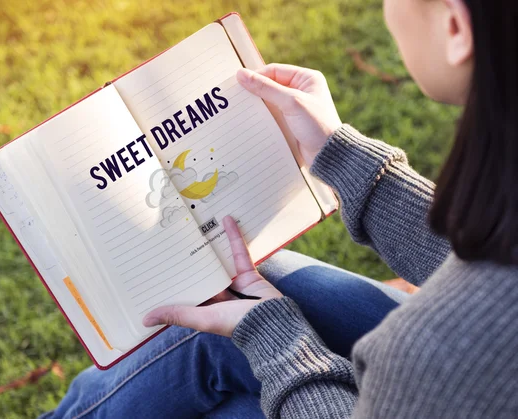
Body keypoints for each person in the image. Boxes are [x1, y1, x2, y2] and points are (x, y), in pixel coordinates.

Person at [43, 0, 517, 417]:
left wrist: (277, 340)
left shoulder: (438, 347)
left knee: (221, 346)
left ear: (455, 27)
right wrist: (344, 157)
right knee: (257, 286)